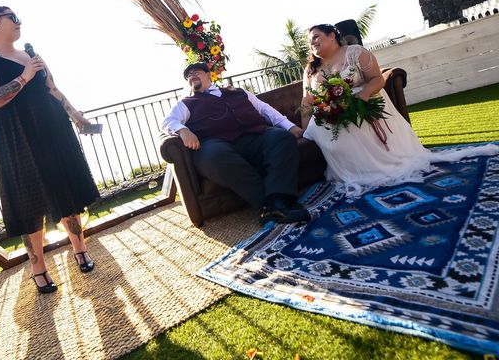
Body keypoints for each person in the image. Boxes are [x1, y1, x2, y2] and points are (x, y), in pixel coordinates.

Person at [0, 6, 99, 294]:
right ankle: (38, 268)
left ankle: (80, 250)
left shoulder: (31, 53)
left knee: (66, 190)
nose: (19, 22)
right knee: (29, 201)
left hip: (53, 128)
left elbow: (52, 88)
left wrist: (78, 117)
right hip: (17, 135)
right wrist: (25, 76)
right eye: (12, 18)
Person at [301, 23, 499, 196]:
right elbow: (307, 100)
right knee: (325, 128)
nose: (313, 43)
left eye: (316, 37)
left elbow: (377, 78)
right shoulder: (310, 70)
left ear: (332, 35)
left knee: (358, 120)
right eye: (310, 42)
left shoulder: (355, 53)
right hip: (332, 113)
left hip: (364, 101)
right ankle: (355, 169)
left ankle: (382, 165)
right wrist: (306, 130)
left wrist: (364, 94)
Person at [162, 62, 310, 225]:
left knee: (281, 137)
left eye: (196, 72)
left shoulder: (237, 92)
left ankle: (276, 202)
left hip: (255, 136)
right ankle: (273, 204)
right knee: (213, 157)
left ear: (208, 75)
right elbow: (168, 121)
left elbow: (264, 109)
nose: (192, 76)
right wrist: (183, 130)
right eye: (188, 76)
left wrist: (290, 126)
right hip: (216, 144)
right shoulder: (186, 102)